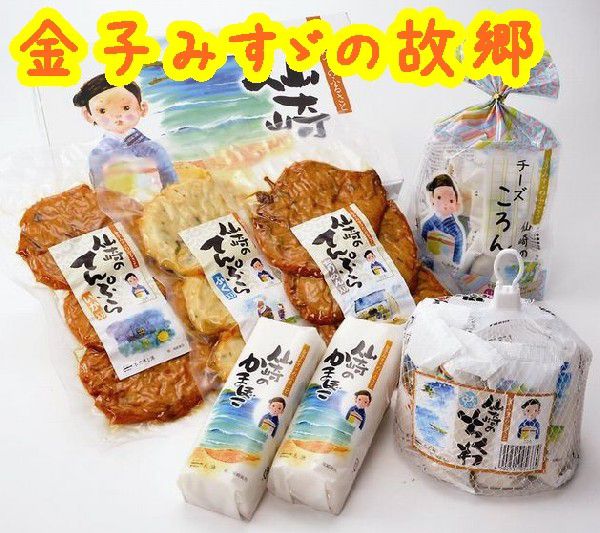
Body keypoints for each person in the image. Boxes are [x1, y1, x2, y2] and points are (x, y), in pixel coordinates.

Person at [73, 74, 178, 191]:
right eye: (103, 111)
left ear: (142, 108)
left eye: (126, 108)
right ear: (88, 115)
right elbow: (100, 189)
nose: (116, 115)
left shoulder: (153, 148)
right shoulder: (98, 155)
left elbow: (170, 179)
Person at [421, 174, 465, 265]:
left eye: (451, 200)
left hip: (446, 268)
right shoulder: (428, 224)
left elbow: (457, 258)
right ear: (432, 199)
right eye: (439, 198)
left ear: (456, 202)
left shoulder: (456, 232)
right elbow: (422, 245)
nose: (445, 204)